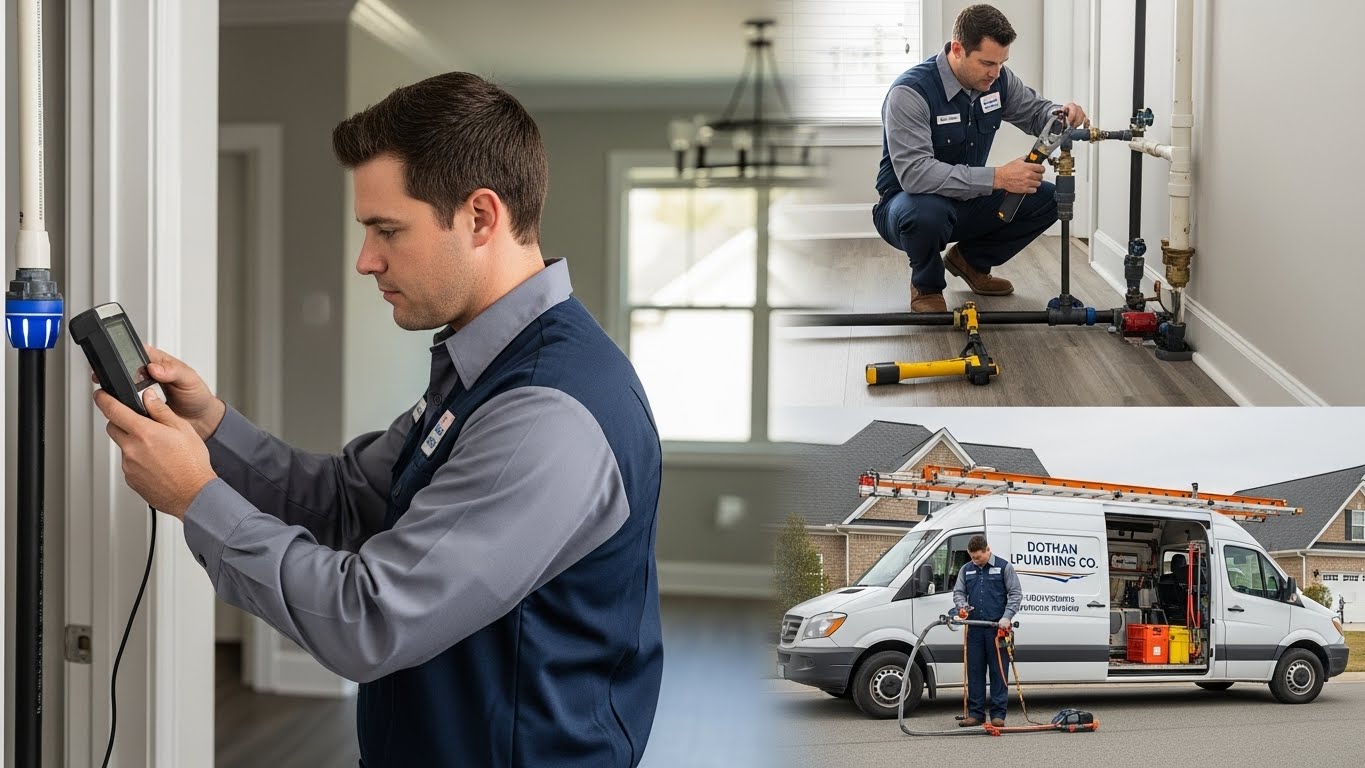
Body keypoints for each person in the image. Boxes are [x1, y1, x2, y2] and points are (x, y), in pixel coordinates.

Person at [93, 72, 664, 767]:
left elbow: (368, 619)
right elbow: (349, 500)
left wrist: (196, 498)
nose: (366, 260)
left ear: (480, 217)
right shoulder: (483, 364)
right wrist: (211, 426)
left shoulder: (543, 416)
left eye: (387, 230)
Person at [872, 4, 1091, 312]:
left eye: (1002, 62)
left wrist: (1061, 114)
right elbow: (915, 175)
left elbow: (1035, 112)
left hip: (966, 195)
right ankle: (926, 286)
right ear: (958, 49)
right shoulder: (911, 92)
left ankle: (971, 261)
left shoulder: (997, 81)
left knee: (1052, 198)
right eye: (987, 62)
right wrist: (998, 177)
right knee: (927, 213)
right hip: (908, 202)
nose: (996, 71)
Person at [951, 535, 1022, 728]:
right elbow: (958, 592)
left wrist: (1007, 616)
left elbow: (1015, 593)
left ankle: (998, 715)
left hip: (997, 630)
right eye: (972, 557)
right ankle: (976, 714)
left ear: (987, 550)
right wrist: (962, 606)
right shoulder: (966, 570)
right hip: (974, 629)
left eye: (978, 557)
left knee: (998, 672)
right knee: (975, 672)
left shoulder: (1004, 567)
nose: (975, 561)